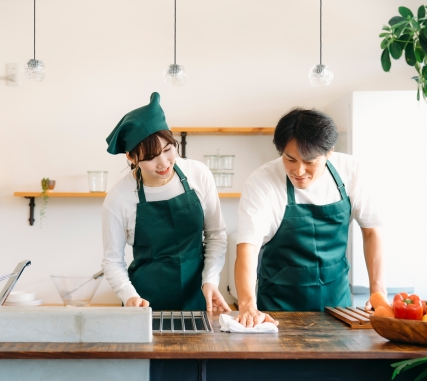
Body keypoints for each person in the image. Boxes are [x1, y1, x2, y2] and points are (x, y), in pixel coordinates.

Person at [234, 108, 386, 326]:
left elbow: (372, 231)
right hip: (279, 307)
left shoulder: (352, 171)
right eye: (290, 159)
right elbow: (247, 249)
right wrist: (248, 306)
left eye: (310, 161)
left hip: (338, 304)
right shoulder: (262, 182)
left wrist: (377, 293)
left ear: (329, 152)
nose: (299, 170)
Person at [102, 92, 230, 312]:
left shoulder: (198, 174)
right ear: (132, 158)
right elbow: (112, 261)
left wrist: (210, 279)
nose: (163, 163)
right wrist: (129, 296)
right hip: (145, 304)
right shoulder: (119, 198)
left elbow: (216, 235)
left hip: (198, 296)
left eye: (168, 149)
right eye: (150, 158)